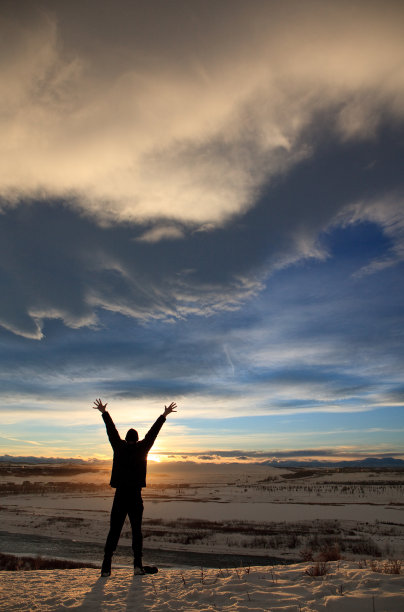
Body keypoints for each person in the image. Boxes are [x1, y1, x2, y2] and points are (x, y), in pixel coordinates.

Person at [93, 398, 177, 576]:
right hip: (135, 496)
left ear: (126, 439)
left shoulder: (119, 447)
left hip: (120, 495)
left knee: (114, 530)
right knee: (136, 532)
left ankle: (106, 567)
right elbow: (153, 433)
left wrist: (104, 413)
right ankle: (137, 565)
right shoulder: (143, 448)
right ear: (137, 439)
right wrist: (164, 415)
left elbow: (112, 431)